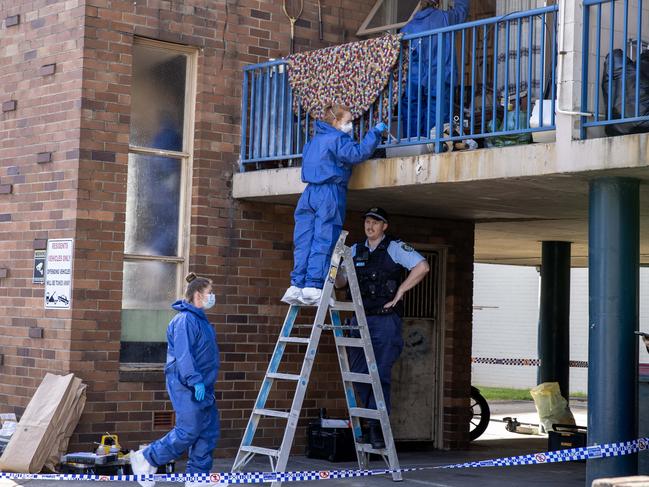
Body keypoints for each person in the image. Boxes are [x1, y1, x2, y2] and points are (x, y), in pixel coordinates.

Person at [335, 207, 430, 448]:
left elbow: (422, 267)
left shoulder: (394, 248)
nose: (370, 226)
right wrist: (334, 266)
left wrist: (401, 291)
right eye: (367, 221)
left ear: (384, 226)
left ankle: (377, 428)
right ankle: (369, 422)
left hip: (384, 320)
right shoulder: (355, 249)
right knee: (358, 372)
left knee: (379, 374)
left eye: (375, 222)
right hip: (359, 318)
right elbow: (342, 282)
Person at [281, 105, 388, 306]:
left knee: (304, 239)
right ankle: (313, 286)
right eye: (348, 121)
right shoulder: (337, 139)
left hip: (309, 192)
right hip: (329, 192)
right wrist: (374, 133)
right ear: (336, 121)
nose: (350, 126)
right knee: (324, 237)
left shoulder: (313, 141)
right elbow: (357, 154)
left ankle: (297, 285)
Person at [130, 273, 220, 487]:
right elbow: (184, 355)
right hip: (185, 384)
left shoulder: (200, 320)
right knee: (189, 429)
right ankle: (147, 457)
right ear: (198, 294)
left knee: (208, 430)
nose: (212, 297)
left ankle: (198, 477)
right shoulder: (184, 321)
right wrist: (195, 380)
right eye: (209, 293)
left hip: (203, 385)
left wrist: (202, 382)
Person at [400, 0, 470, 139]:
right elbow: (462, 10)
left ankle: (413, 150)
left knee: (413, 128)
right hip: (440, 78)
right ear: (437, 3)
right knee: (437, 130)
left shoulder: (407, 28)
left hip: (414, 82)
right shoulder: (445, 18)